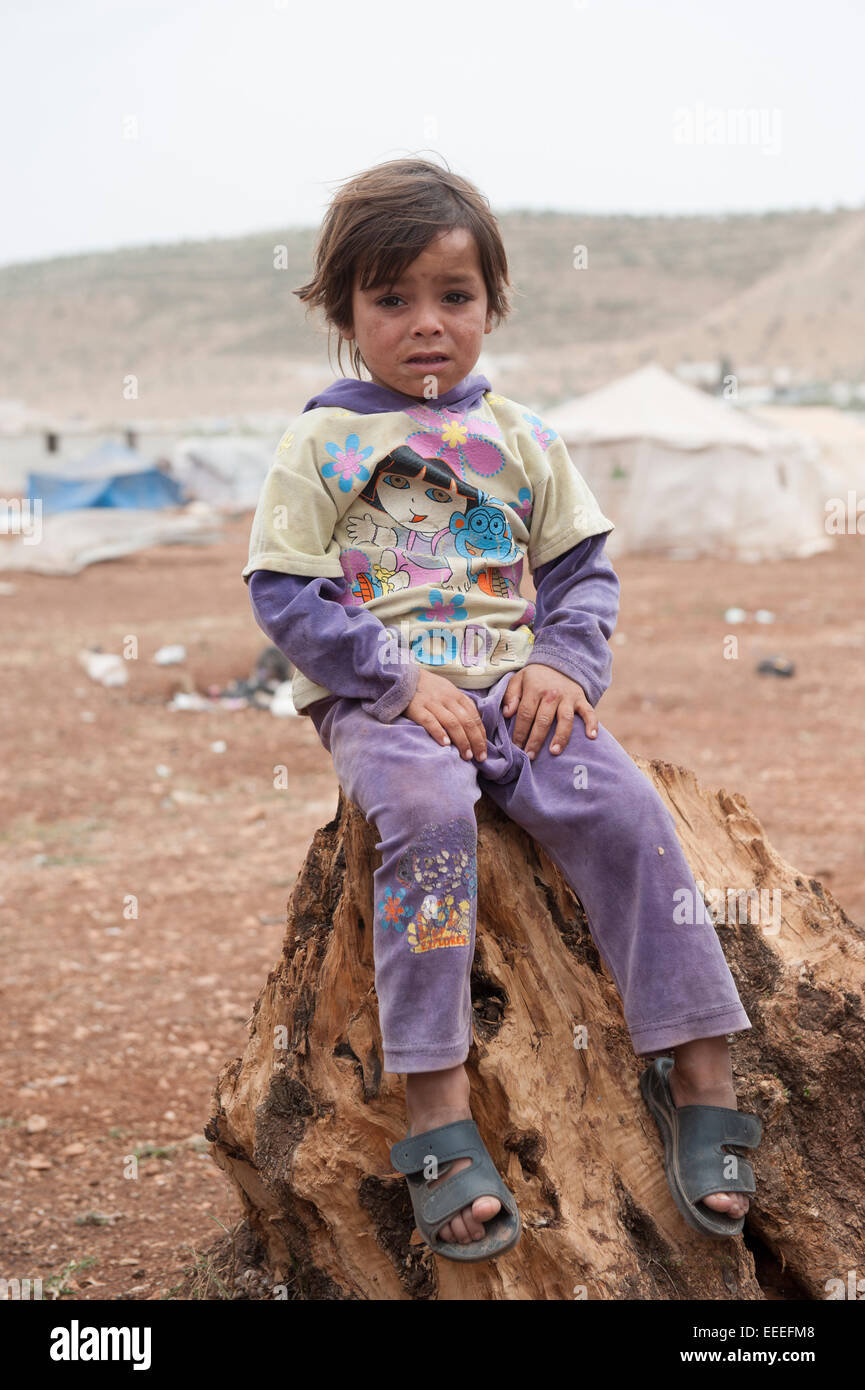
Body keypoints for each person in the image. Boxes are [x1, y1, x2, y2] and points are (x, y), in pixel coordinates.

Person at [241, 156, 762, 1261]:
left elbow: (580, 573)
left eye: (453, 296)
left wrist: (566, 668)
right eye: (391, 299)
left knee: (625, 812)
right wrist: (396, 682)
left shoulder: (523, 438)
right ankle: (433, 1102)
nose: (425, 324)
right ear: (344, 311)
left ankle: (701, 1066)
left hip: (517, 686)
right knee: (427, 828)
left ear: (491, 303)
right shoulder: (322, 442)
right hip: (387, 699)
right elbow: (283, 590)